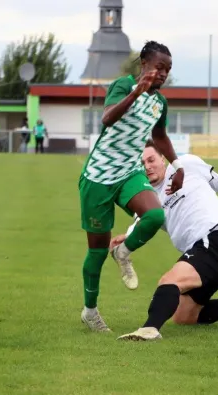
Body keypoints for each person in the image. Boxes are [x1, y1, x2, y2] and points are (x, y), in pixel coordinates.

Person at [112, 140, 218, 340]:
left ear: (162, 158)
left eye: (151, 159)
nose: (148, 166)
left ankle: (149, 329)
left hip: (214, 241)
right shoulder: (148, 196)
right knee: (184, 316)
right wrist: (127, 237)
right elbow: (140, 222)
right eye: (142, 164)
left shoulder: (185, 164)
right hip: (203, 250)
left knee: (170, 281)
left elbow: (216, 180)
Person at [79, 41, 184, 332]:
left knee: (155, 215)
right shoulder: (122, 86)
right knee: (97, 252)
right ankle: (90, 311)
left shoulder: (159, 102)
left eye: (168, 70)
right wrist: (137, 91)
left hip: (129, 172)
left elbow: (160, 135)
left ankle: (123, 252)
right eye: (159, 67)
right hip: (98, 177)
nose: (163, 74)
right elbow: (108, 118)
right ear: (144, 65)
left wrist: (177, 165)